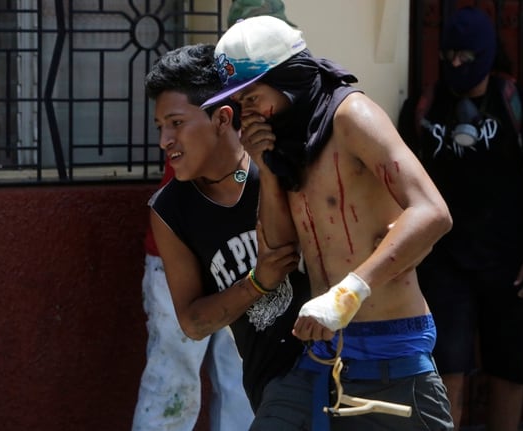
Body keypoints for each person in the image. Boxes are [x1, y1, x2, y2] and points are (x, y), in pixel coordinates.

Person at [202, 15, 455, 430]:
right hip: (320, 356)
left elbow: (432, 212)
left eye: (252, 98)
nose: (247, 115)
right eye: (239, 104)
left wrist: (347, 294)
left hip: (392, 352)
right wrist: (266, 170)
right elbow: (280, 252)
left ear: (289, 79)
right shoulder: (287, 145)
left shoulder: (352, 116)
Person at [396, 7, 523, 431]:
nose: (455, 66)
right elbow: (398, 187)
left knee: (508, 372)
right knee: (445, 372)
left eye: (466, 58)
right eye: (448, 56)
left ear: (486, 56)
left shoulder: (520, 104)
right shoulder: (424, 106)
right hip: (444, 263)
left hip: (511, 262)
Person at [144, 42, 310, 423]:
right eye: (161, 126)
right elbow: (192, 322)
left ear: (221, 118)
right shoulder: (170, 211)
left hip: (332, 368)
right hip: (268, 385)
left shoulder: (286, 161)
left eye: (177, 123)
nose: (164, 140)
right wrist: (257, 282)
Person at [132, 158, 254, 431]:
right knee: (173, 384)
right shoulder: (195, 124)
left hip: (243, 255)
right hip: (182, 259)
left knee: (242, 384)